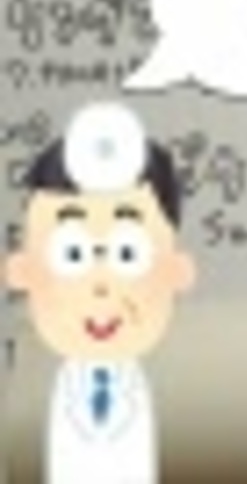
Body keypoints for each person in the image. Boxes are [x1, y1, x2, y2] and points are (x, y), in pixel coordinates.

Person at [5, 102, 196, 484]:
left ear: (176, 271)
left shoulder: (183, 398)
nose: (100, 286)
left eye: (127, 254)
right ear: (22, 270)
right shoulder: (25, 393)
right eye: (72, 254)